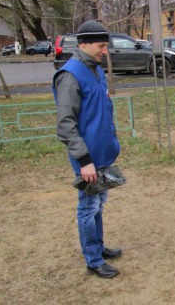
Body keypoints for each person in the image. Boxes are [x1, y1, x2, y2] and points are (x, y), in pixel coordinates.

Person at [52, 20, 122, 278]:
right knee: (88, 207)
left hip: (102, 155)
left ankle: (99, 246)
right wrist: (84, 160)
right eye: (101, 45)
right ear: (84, 44)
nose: (105, 50)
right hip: (88, 160)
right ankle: (93, 260)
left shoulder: (95, 69)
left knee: (99, 204)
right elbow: (66, 124)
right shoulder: (70, 75)